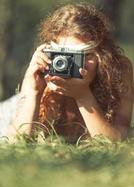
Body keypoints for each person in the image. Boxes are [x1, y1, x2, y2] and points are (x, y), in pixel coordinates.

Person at [1, 3, 133, 143]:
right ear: (51, 52)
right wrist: (34, 94)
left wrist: (83, 96)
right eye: (62, 57)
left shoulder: (118, 69)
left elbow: (117, 143)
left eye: (84, 55)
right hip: (8, 115)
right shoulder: (40, 72)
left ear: (102, 54)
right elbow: (15, 143)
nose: (69, 65)